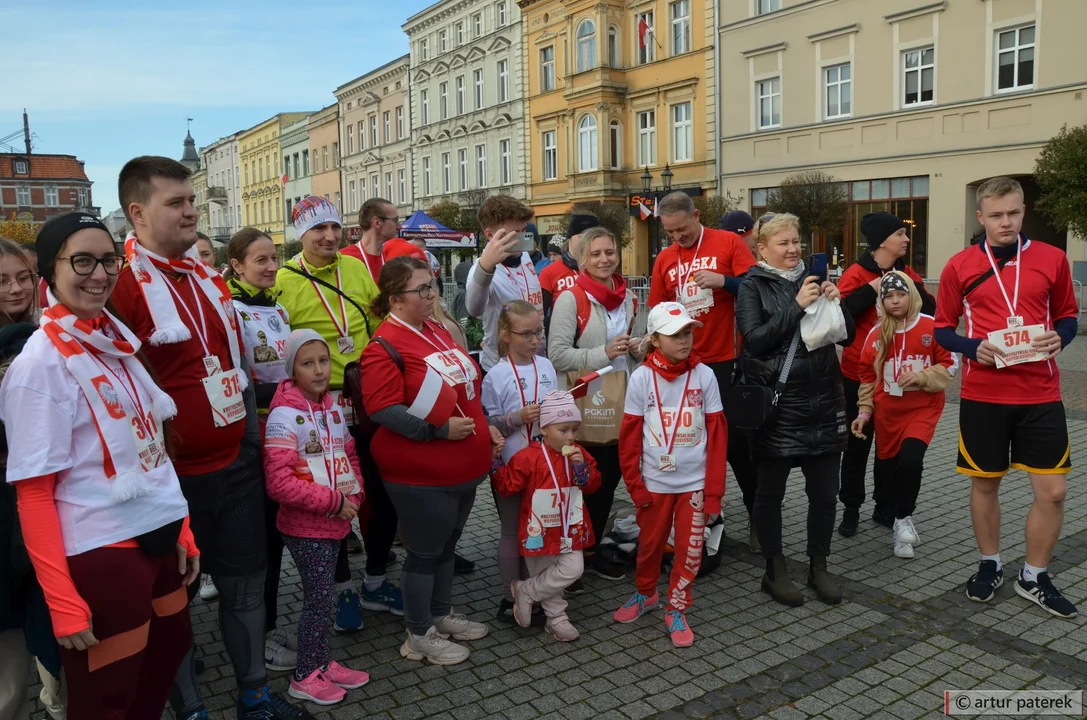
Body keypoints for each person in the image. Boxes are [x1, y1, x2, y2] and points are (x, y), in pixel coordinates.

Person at [106, 157, 302, 720]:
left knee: (246, 588)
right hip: (170, 484)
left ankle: (255, 699)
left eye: (192, 200)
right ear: (138, 213)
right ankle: (192, 711)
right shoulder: (123, 287)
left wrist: (252, 441)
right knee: (174, 605)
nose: (192, 211)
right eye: (176, 203)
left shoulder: (210, 280)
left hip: (234, 467)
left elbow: (235, 367)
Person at [2, 212, 198, 718]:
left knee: (167, 654)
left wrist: (183, 529)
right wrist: (62, 600)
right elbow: (33, 494)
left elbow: (149, 445)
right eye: (82, 260)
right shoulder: (38, 367)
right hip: (101, 551)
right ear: (50, 273)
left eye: (108, 259)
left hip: (158, 535)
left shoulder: (117, 342)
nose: (99, 273)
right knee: (106, 696)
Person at [935, 176, 1078, 618]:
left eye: (1014, 212)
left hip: (1040, 393)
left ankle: (1034, 576)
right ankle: (990, 564)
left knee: (1053, 492)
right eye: (996, 215)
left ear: (1023, 210)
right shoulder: (959, 265)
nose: (1006, 222)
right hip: (984, 394)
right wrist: (970, 346)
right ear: (981, 217)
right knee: (985, 483)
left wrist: (1062, 338)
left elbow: (1069, 316)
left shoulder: (1053, 259)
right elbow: (942, 327)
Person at [360, 256, 493, 665]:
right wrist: (437, 431)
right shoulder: (384, 346)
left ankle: (439, 612)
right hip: (422, 473)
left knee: (446, 545)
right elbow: (382, 409)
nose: (432, 294)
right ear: (395, 298)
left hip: (462, 469)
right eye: (422, 289)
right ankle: (418, 632)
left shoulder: (434, 328)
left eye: (431, 285)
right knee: (423, 551)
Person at [275, 196, 397, 632]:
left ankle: (377, 579)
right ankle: (343, 589)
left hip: (365, 396)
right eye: (316, 230)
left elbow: (379, 321)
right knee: (334, 499)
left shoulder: (355, 267)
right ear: (300, 235)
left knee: (381, 494)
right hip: (317, 404)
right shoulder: (284, 279)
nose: (328, 236)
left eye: (333, 227)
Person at [735, 213, 855, 608]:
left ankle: (818, 565)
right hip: (779, 407)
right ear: (762, 248)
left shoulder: (815, 280)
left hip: (824, 402)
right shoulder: (752, 286)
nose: (793, 249)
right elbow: (755, 341)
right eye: (783, 243)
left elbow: (847, 335)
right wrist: (797, 306)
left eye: (796, 241)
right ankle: (775, 569)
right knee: (770, 494)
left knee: (824, 495)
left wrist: (837, 303)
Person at [264, 330, 370, 705]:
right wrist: (333, 501)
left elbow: (349, 453)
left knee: (322, 597)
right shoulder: (283, 414)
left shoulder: (331, 406)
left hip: (335, 518)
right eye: (308, 363)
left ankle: (321, 660)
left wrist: (354, 493)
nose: (319, 370)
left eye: (323, 361)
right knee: (319, 600)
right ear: (291, 369)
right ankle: (305, 676)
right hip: (306, 526)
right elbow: (278, 482)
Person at [649, 192, 760, 552]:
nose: (676, 238)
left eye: (682, 229)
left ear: (696, 215)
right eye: (669, 232)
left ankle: (758, 516)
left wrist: (723, 281)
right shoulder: (665, 259)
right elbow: (656, 311)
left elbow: (759, 288)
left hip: (726, 360)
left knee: (737, 446)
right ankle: (707, 519)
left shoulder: (728, 242)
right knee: (690, 444)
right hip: (683, 365)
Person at [614, 302, 727, 647]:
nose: (685, 340)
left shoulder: (704, 375)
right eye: (675, 334)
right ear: (655, 340)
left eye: (688, 332)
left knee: (689, 552)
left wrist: (713, 494)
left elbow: (718, 435)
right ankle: (646, 594)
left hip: (693, 485)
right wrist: (635, 486)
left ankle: (677, 606)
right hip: (654, 484)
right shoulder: (641, 378)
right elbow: (630, 437)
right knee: (649, 547)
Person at [549, 227, 647, 581]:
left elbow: (633, 351)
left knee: (609, 479)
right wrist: (601, 352)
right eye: (596, 254)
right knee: (586, 480)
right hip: (584, 403)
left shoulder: (629, 298)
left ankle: (589, 551)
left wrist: (639, 347)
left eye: (610, 252)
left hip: (621, 397)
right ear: (582, 258)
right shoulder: (570, 298)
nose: (604, 259)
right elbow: (556, 354)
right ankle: (576, 553)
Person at [224, 227, 298, 671]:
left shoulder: (279, 307)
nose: (272, 267)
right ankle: (262, 634)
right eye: (260, 260)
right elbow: (237, 379)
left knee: (279, 534)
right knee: (264, 542)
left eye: (274, 258)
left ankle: (267, 624)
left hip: (284, 433)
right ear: (236, 266)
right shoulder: (230, 311)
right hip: (254, 438)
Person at [835, 212, 935, 537]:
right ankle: (851, 508)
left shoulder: (906, 273)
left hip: (899, 379)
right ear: (882, 241)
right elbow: (839, 316)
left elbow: (930, 308)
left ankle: (884, 506)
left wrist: (912, 294)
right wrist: (871, 288)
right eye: (900, 235)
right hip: (860, 375)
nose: (907, 240)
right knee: (857, 444)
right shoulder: (856, 272)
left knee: (889, 447)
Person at [0, 237, 67, 720]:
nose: (16, 288)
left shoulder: (51, 332)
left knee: (53, 648)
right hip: (5, 509)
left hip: (50, 501)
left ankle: (56, 701)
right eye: (2, 280)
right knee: (7, 675)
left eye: (23, 277)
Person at [853, 272, 956, 559]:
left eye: (901, 294)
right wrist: (864, 412)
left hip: (922, 409)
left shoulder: (931, 326)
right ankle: (899, 521)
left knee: (911, 459)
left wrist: (923, 376)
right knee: (891, 470)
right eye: (888, 296)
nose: (895, 301)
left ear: (912, 295)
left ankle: (902, 520)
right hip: (888, 413)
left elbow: (949, 365)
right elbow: (867, 378)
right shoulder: (876, 334)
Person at [493, 391, 600, 641]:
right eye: (564, 430)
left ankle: (526, 590)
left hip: (571, 527)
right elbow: (508, 486)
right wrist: (495, 462)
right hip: (538, 530)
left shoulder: (578, 454)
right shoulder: (528, 456)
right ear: (545, 427)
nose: (571, 436)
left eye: (575, 429)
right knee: (545, 571)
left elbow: (593, 485)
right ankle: (557, 619)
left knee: (574, 568)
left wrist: (581, 468)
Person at [481, 300, 560, 622]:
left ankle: (537, 590)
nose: (534, 340)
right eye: (525, 334)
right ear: (506, 335)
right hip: (513, 463)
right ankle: (508, 596)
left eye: (538, 332)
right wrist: (516, 418)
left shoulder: (547, 366)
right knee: (513, 530)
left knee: (541, 529)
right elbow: (488, 423)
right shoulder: (495, 376)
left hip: (547, 464)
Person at [465, 196, 542, 373]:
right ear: (490, 235)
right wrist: (486, 267)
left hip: (534, 362)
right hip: (501, 369)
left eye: (524, 230)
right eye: (515, 233)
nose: (522, 239)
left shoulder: (523, 256)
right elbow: (474, 309)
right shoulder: (480, 269)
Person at [539, 214, 594, 322]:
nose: (587, 242)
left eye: (592, 238)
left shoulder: (601, 270)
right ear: (570, 239)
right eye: (581, 237)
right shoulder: (548, 272)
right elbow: (541, 314)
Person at [340, 198, 399, 276]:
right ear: (377, 222)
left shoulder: (390, 260)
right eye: (395, 220)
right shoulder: (343, 258)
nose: (399, 226)